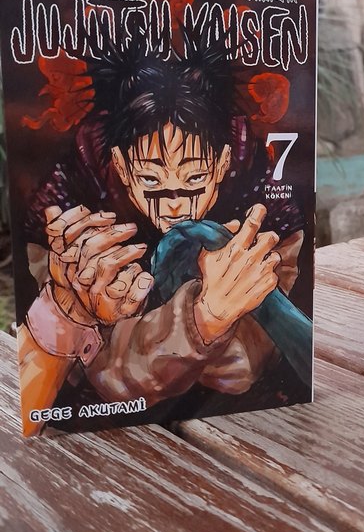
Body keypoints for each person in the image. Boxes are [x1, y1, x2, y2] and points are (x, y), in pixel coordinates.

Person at [17, 35, 309, 435]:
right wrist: (205, 319)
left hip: (247, 425)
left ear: (222, 162)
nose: (173, 205)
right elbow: (105, 375)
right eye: (152, 181)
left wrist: (213, 318)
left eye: (194, 179)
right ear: (121, 166)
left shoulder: (266, 197)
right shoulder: (71, 211)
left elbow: (244, 367)